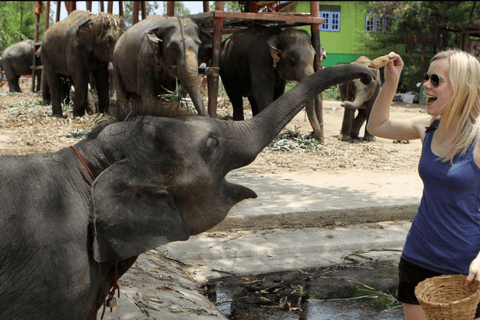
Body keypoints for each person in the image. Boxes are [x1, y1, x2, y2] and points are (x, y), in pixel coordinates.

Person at [367, 48, 480, 320]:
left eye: (436, 80)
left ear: (464, 88)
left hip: (467, 268)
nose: (426, 85)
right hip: (418, 257)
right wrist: (391, 82)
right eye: (426, 77)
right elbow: (377, 126)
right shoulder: (427, 126)